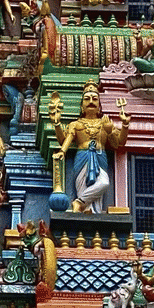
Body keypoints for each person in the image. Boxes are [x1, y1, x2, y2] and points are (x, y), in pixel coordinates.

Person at [56, 80, 129, 212]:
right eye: (87, 99)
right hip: (82, 156)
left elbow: (118, 143)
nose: (91, 101)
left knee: (103, 182)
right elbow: (65, 140)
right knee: (83, 185)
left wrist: (124, 126)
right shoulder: (76, 124)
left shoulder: (105, 123)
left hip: (100, 156)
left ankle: (80, 203)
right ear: (81, 106)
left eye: (95, 99)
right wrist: (57, 128)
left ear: (99, 106)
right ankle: (86, 209)